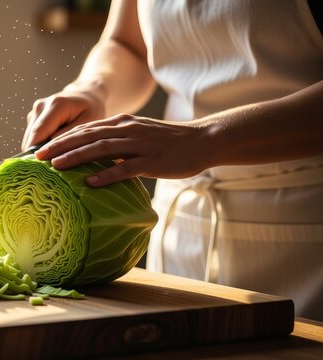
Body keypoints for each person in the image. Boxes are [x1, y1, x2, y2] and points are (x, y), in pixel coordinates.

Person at [23, 0, 323, 321]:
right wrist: (93, 90)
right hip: (180, 223)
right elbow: (128, 45)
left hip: (306, 227)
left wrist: (207, 137)